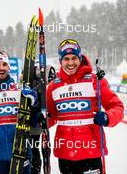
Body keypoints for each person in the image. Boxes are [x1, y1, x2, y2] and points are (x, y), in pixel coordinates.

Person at [46, 39, 124, 174]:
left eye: (74, 58)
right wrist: (40, 119)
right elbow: (50, 117)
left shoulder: (95, 80)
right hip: (65, 153)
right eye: (66, 59)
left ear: (80, 57)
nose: (70, 63)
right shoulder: (53, 86)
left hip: (91, 152)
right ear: (60, 61)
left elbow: (117, 106)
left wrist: (107, 117)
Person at [0, 50, 39, 174]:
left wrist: (34, 104)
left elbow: (34, 122)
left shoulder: (20, 91)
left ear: (9, 67)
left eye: (4, 64)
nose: (1, 68)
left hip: (21, 152)